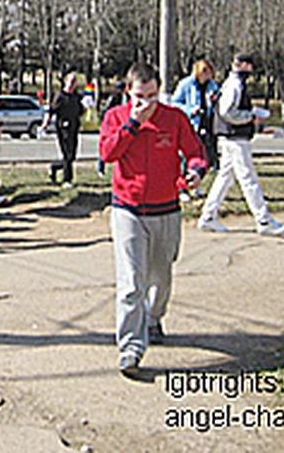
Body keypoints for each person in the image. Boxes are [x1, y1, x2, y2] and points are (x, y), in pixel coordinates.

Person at [99, 62, 207, 376]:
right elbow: (107, 154)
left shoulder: (174, 119)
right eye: (138, 97)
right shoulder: (115, 118)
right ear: (128, 93)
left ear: (159, 91)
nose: (145, 103)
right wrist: (132, 124)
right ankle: (130, 349)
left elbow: (196, 152)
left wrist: (196, 171)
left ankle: (153, 318)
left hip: (166, 209)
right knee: (132, 283)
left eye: (151, 96)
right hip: (127, 209)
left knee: (160, 279)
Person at [197, 54, 284, 236]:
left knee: (225, 178)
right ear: (244, 65)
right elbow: (227, 112)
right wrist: (251, 117)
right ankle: (263, 219)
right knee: (248, 179)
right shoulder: (234, 84)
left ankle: (208, 216)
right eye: (250, 66)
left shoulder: (232, 83)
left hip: (232, 138)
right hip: (235, 139)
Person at [170, 59, 221, 175]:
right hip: (192, 123)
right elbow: (174, 103)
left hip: (208, 124)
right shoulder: (186, 84)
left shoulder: (213, 85)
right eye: (204, 71)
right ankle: (184, 182)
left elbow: (219, 101)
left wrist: (214, 100)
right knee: (188, 153)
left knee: (205, 154)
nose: (207, 74)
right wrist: (190, 110)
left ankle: (198, 176)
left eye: (209, 71)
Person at [41, 72, 84, 188]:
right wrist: (45, 124)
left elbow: (80, 110)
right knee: (67, 154)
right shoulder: (60, 96)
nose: (72, 84)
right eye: (70, 81)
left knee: (72, 155)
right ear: (65, 82)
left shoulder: (75, 96)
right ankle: (67, 180)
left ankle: (54, 167)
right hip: (62, 127)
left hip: (74, 127)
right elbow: (51, 110)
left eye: (74, 82)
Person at [98, 81, 128, 177]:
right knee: (107, 146)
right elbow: (106, 110)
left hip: (122, 123)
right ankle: (100, 168)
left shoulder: (127, 97)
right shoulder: (114, 98)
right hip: (112, 123)